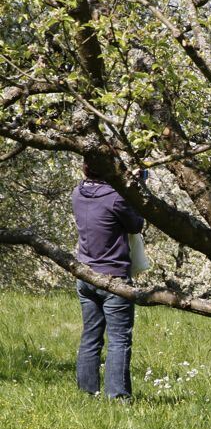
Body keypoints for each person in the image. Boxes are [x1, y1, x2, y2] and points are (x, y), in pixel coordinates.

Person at [72, 161, 145, 399]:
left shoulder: (78, 192)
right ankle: (118, 397)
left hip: (85, 274)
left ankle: (87, 393)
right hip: (114, 277)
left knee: (90, 336)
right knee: (119, 340)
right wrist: (136, 187)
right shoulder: (115, 197)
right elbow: (136, 224)